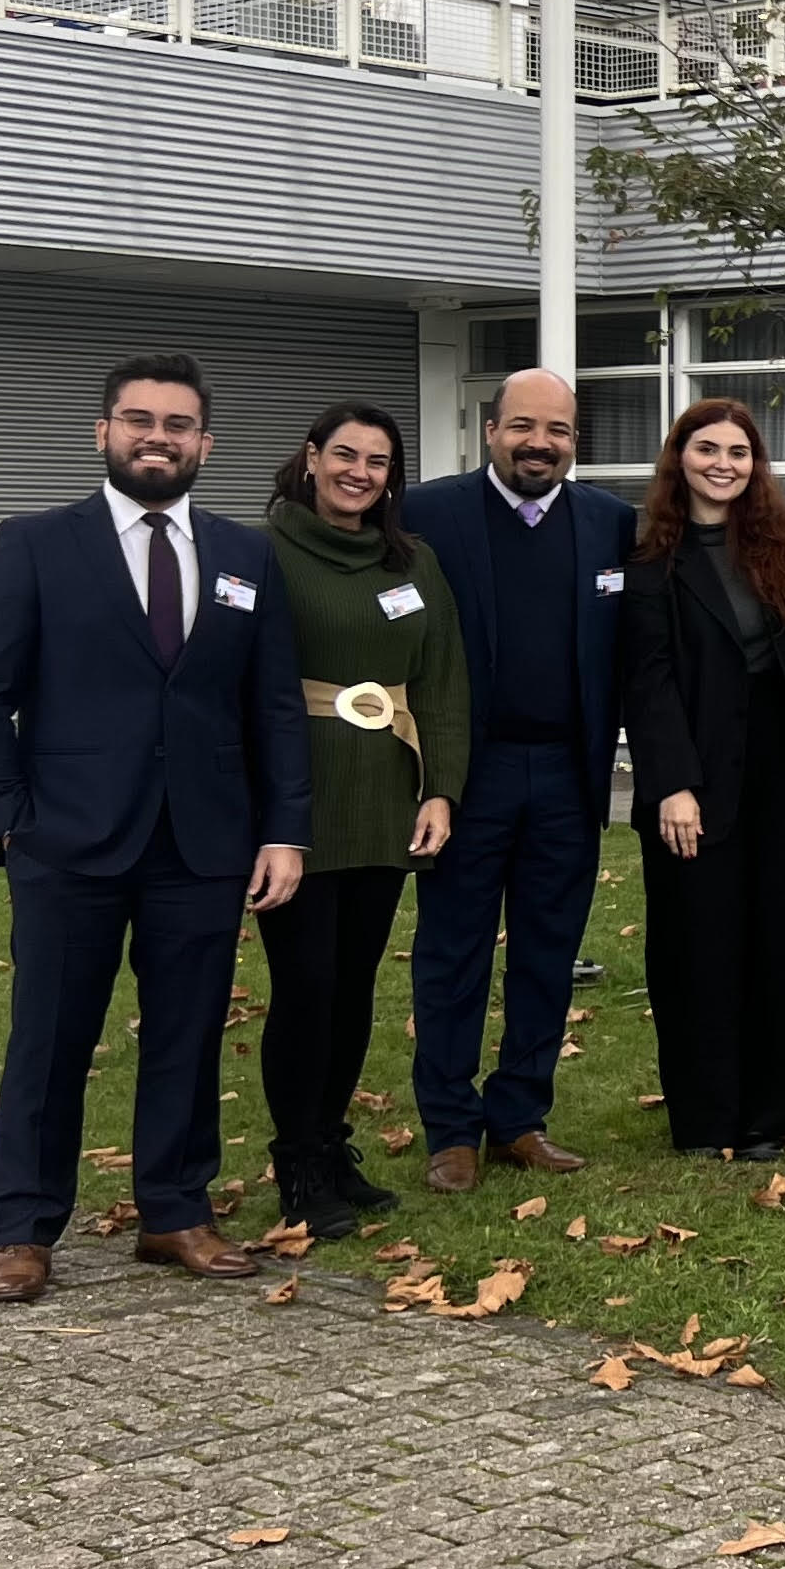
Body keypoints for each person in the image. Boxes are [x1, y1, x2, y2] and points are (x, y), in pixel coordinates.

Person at [0, 354, 312, 1301]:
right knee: (50, 1037)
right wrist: (7, 818)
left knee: (187, 1034)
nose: (158, 437)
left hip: (203, 843)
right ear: (103, 432)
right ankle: (23, 1229)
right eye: (139, 420)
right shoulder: (36, 544)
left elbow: (273, 705)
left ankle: (174, 1211)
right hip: (66, 841)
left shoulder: (245, 556)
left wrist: (284, 831)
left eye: (178, 424)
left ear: (205, 444)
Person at [398, 368, 632, 1193]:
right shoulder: (427, 514)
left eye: (558, 430)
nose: (540, 443)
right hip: (468, 774)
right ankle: (450, 1128)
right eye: (524, 426)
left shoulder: (610, 523)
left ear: (575, 441)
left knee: (548, 952)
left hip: (569, 774)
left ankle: (520, 1118)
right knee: (452, 951)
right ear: (491, 431)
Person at [257, 403, 472, 1240]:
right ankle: (296, 1162)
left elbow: (443, 680)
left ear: (391, 477)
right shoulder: (265, 552)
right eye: (344, 455)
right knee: (306, 987)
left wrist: (439, 789)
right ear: (311, 458)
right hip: (300, 798)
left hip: (386, 794)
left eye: (377, 462)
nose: (359, 472)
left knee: (353, 989)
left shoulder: (413, 561)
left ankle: (331, 1143)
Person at [620, 399, 785, 1159]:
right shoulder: (650, 556)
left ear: (756, 464)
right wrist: (671, 785)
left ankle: (779, 1111)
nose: (724, 464)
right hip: (698, 769)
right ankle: (709, 1116)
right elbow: (646, 680)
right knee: (700, 942)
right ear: (679, 458)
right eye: (708, 449)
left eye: (739, 452)